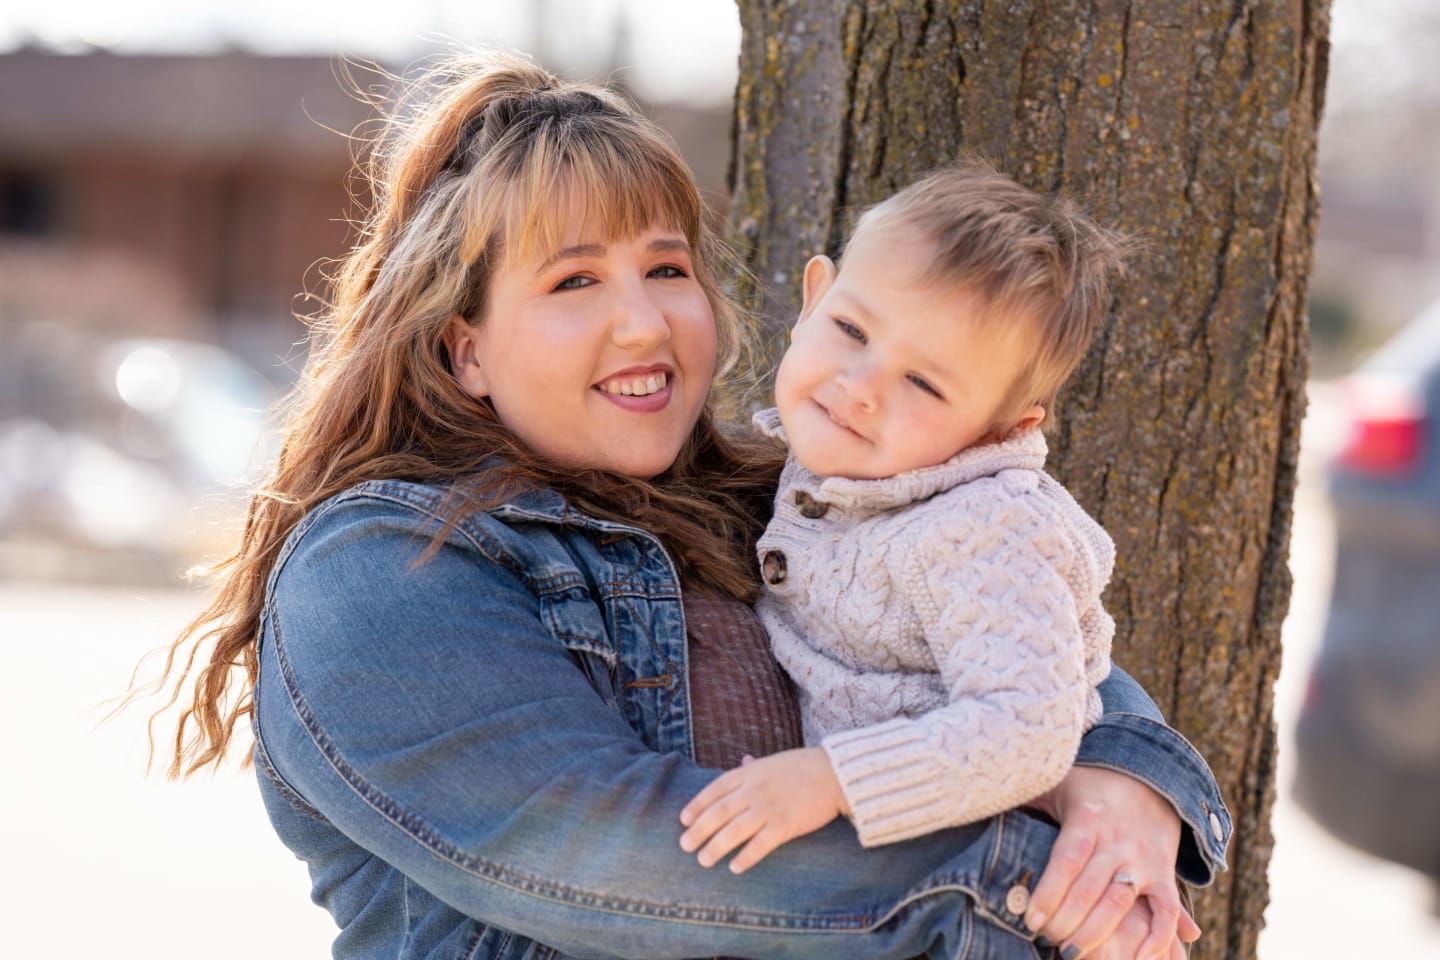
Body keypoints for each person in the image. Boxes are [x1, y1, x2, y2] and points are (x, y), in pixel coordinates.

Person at [148, 50, 1230, 960]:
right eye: (574, 283)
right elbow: (613, 852)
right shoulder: (377, 570)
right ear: (464, 348)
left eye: (666, 268)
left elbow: (1037, 649)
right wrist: (1018, 881)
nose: (644, 325)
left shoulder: (800, 504)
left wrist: (1122, 786)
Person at [678, 164, 1121, 875]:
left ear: (996, 431)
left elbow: (1029, 727)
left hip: (964, 888)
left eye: (922, 382)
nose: (860, 390)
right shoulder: (837, 473)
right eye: (852, 329)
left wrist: (833, 781)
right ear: (813, 299)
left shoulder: (980, 528)